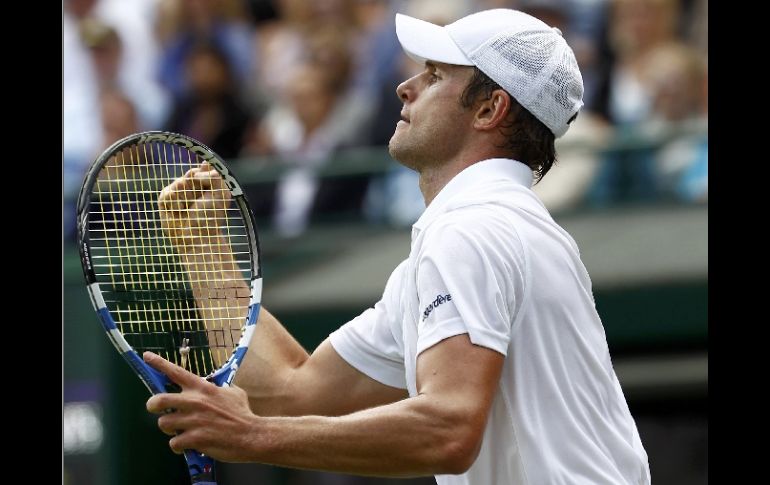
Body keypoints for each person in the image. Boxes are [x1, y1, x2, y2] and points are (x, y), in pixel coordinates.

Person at [145, 8, 651, 484]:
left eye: (434, 75)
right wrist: (203, 246)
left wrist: (255, 436)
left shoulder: (470, 230)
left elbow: (450, 429)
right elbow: (289, 391)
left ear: (489, 109)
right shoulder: (497, 227)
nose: (405, 87)